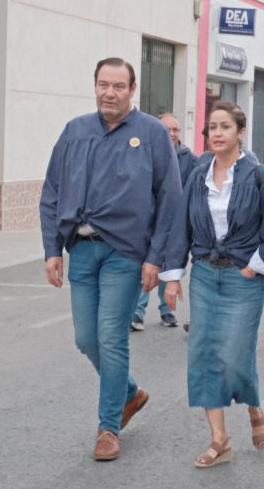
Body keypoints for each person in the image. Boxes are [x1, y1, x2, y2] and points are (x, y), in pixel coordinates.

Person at [39, 57, 182, 462]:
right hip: (82, 248)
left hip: (126, 253)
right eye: (104, 84)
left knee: (111, 336)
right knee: (85, 338)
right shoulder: (76, 131)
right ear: (95, 86)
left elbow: (169, 198)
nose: (110, 92)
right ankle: (131, 392)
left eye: (119, 86)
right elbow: (51, 192)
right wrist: (52, 249)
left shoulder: (152, 134)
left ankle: (108, 428)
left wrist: (157, 258)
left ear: (132, 90)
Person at [160, 101, 264, 467]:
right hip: (203, 273)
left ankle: (254, 405)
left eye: (224, 127)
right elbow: (181, 224)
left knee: (234, 353)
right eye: (211, 127)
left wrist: (253, 268)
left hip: (242, 277)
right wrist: (173, 275)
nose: (216, 133)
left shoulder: (261, 178)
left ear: (240, 132)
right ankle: (220, 439)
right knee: (202, 353)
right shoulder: (198, 172)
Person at [130, 113, 195, 331]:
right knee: (148, 265)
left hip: (177, 224)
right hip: (151, 223)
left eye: (176, 129)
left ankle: (167, 311)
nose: (172, 133)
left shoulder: (188, 158)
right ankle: (137, 314)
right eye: (168, 129)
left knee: (170, 266)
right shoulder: (146, 154)